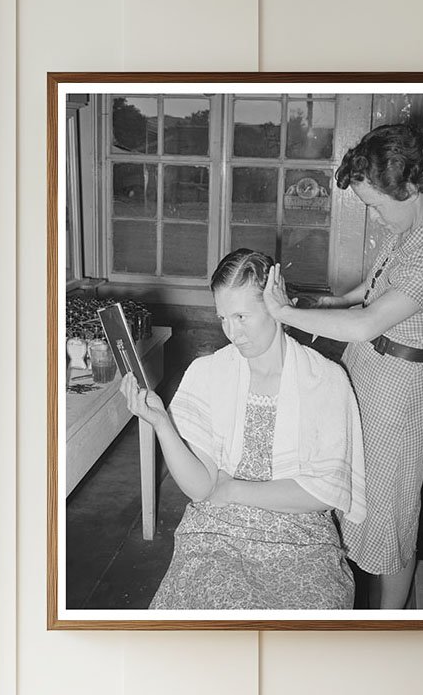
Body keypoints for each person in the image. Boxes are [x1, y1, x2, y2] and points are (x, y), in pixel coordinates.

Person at [263, 123, 423, 609]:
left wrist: (286, 315)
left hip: (399, 391)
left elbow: (368, 321)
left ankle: (390, 624)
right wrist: (310, 301)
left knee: (389, 516)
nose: (373, 215)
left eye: (375, 204)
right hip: (368, 374)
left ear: (411, 187)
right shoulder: (415, 225)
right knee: (354, 495)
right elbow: (362, 296)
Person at [120, 249, 365, 610]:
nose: (232, 333)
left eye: (242, 316)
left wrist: (233, 489)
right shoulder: (208, 374)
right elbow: (202, 488)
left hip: (301, 539)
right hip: (216, 533)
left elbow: (324, 494)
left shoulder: (324, 379)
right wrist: (161, 425)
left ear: (278, 307)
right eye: (223, 318)